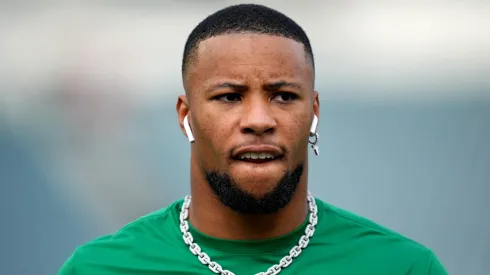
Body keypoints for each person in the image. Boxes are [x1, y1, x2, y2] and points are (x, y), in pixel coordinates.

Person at [58, 4, 448, 275]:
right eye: (229, 97)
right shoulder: (98, 270)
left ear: (314, 112)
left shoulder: (403, 269)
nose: (259, 120)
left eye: (283, 96)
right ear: (185, 115)